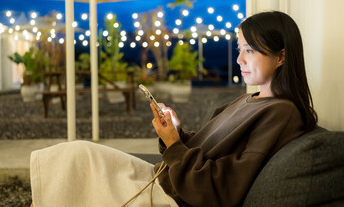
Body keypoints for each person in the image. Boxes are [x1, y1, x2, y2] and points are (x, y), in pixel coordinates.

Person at [29, 11, 317, 207]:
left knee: (76, 161)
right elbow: (203, 153)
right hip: (166, 178)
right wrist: (177, 133)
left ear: (281, 57)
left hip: (173, 197)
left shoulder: (281, 113)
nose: (240, 59)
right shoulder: (248, 99)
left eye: (250, 50)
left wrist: (173, 145)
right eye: (239, 48)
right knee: (75, 156)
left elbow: (224, 187)